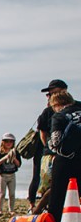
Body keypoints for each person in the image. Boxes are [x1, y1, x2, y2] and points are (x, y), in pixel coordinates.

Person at [46, 91, 81, 222]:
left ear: (56, 104)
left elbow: (56, 142)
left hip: (66, 161)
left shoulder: (59, 116)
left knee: (57, 195)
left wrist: (49, 144)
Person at [32, 79, 67, 211]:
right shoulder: (47, 112)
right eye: (49, 94)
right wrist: (52, 148)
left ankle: (40, 209)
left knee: (59, 185)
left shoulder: (73, 107)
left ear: (63, 91)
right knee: (48, 185)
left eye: (52, 93)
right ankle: (39, 209)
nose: (50, 97)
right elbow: (43, 134)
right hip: (50, 153)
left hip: (67, 153)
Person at [0, 132, 20, 215]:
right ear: (3, 142)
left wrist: (13, 157)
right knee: (2, 193)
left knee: (12, 193)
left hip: (12, 175)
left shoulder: (16, 153)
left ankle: (11, 209)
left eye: (11, 141)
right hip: (2, 175)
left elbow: (18, 164)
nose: (8, 143)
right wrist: (6, 157)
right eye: (6, 141)